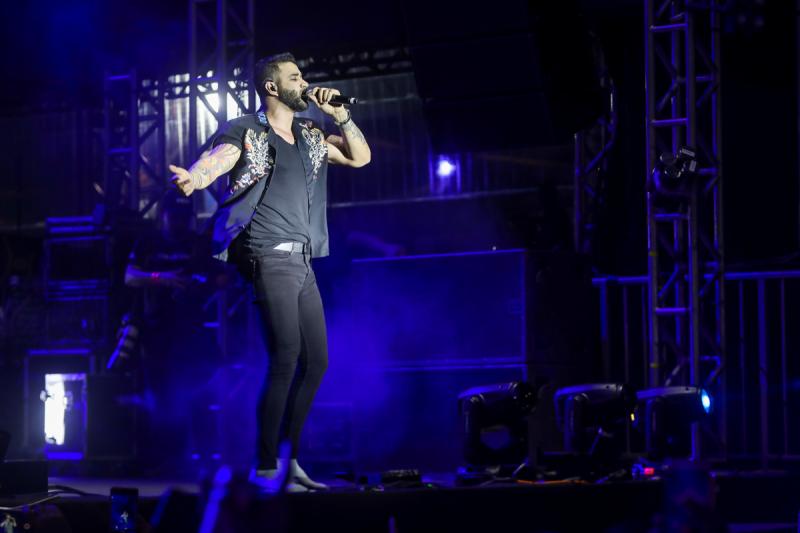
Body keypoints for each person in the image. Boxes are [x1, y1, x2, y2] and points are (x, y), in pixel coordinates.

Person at [168, 52, 371, 491]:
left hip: (302, 258)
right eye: (296, 77)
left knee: (317, 362)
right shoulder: (248, 130)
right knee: (286, 356)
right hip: (266, 251)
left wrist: (341, 116)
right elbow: (219, 158)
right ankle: (265, 468)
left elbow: (360, 158)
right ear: (272, 87)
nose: (305, 83)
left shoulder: (311, 134)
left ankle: (289, 460)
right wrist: (196, 178)